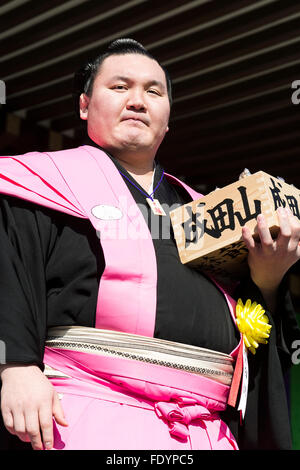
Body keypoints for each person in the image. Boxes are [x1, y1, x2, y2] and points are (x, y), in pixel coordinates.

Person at [0, 38, 299, 451]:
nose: (138, 101)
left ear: (168, 119)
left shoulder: (207, 213)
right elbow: (8, 276)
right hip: (82, 417)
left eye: (153, 92)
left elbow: (256, 338)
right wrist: (15, 367)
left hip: (207, 431)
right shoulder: (39, 184)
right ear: (85, 106)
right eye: (120, 87)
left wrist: (268, 278)